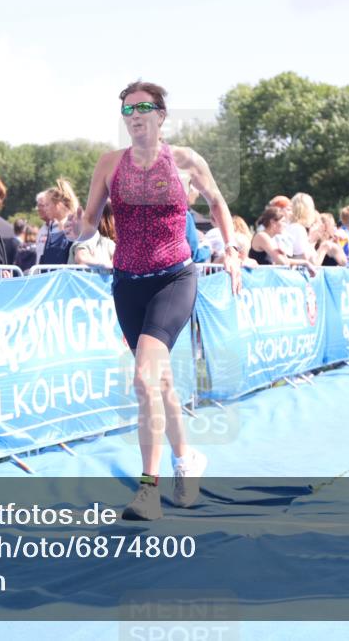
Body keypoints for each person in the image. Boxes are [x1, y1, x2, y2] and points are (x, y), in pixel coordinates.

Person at [63, 80, 242, 521]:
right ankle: (187, 461)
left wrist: (233, 250)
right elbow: (89, 222)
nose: (135, 115)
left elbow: (218, 202)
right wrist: (76, 231)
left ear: (161, 115)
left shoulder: (185, 161)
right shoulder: (109, 164)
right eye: (127, 110)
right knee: (159, 384)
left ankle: (148, 490)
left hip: (174, 278)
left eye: (144, 107)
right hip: (128, 283)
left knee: (144, 378)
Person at [249, 207, 316, 271]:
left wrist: (304, 262)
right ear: (272, 222)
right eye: (283, 221)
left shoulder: (271, 238)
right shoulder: (262, 236)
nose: (285, 225)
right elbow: (282, 262)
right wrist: (305, 262)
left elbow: (283, 261)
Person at [37, 178, 78, 265]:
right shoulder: (52, 227)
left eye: (47, 205)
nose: (45, 209)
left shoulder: (73, 225)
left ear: (58, 205)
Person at [69, 202, 117, 267]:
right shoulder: (89, 237)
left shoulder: (110, 243)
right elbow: (81, 258)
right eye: (117, 215)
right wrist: (105, 264)